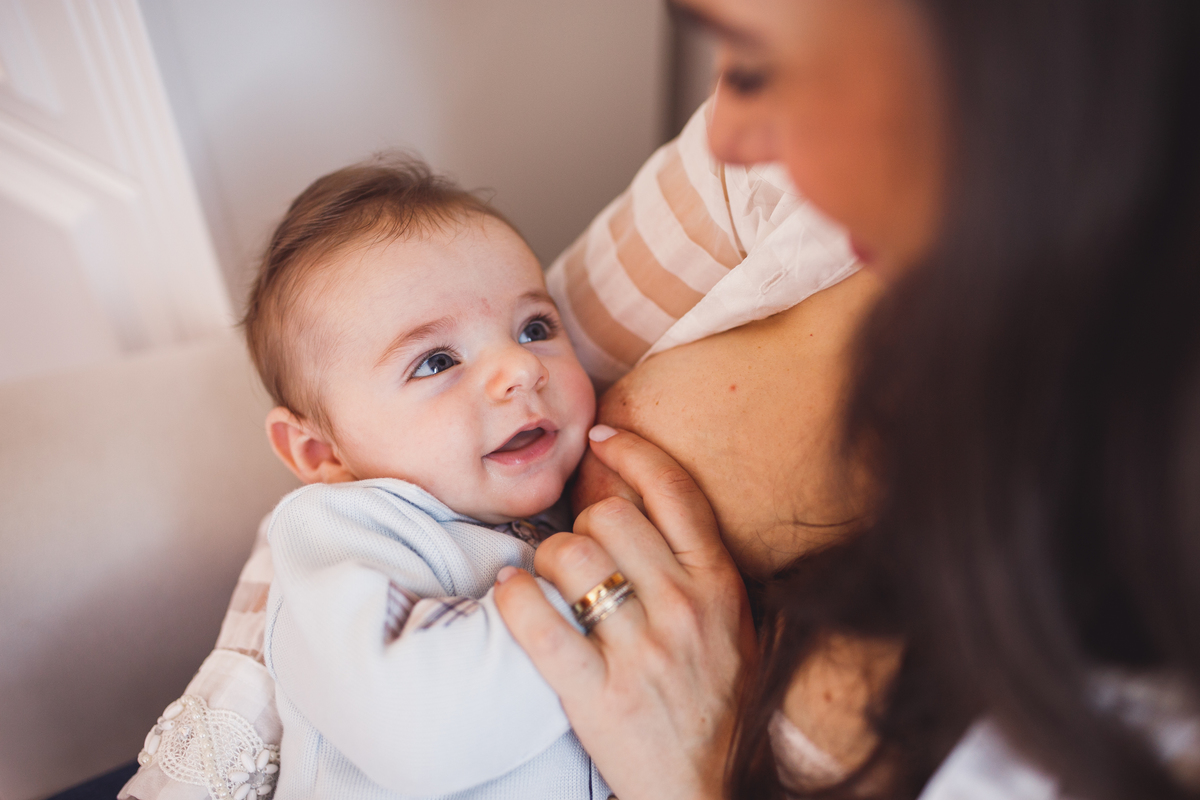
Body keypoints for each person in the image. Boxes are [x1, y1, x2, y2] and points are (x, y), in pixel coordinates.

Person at [494, 0, 1200, 799]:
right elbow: (434, 414)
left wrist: (696, 776)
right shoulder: (778, 186)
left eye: (760, 63)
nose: (729, 130)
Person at [242, 157, 609, 799]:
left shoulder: (568, 502)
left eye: (534, 328)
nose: (520, 369)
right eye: (437, 361)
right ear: (318, 451)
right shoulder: (340, 532)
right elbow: (423, 732)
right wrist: (601, 597)